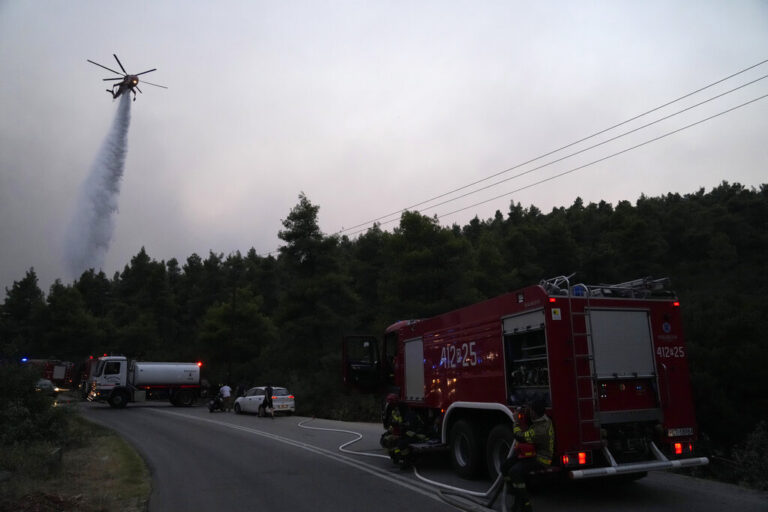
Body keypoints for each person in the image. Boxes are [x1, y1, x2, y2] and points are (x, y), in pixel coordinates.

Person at [501, 399, 553, 512]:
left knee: (514, 471)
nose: (529, 411)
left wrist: (516, 421)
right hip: (533, 454)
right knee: (505, 465)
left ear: (534, 412)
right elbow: (531, 422)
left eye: (530, 410)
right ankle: (513, 490)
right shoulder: (543, 420)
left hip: (541, 459)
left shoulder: (541, 430)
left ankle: (526, 504)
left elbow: (519, 436)